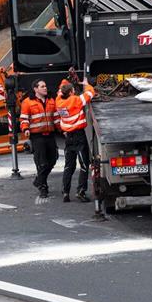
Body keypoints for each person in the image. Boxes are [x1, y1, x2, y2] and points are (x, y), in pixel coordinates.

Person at [56, 67, 95, 202]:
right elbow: (90, 93)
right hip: (78, 136)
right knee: (84, 165)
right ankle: (81, 192)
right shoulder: (75, 101)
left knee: (69, 166)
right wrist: (86, 84)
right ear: (72, 92)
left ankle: (65, 192)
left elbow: (61, 89)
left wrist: (68, 78)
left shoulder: (58, 101)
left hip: (68, 137)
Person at [19, 79, 59, 198]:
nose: (45, 88)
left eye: (45, 86)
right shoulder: (27, 102)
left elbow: (56, 117)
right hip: (37, 137)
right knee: (42, 163)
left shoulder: (51, 100)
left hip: (50, 135)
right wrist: (25, 129)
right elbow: (24, 118)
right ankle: (43, 187)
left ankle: (38, 180)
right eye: (42, 86)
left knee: (53, 159)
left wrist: (63, 129)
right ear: (35, 89)